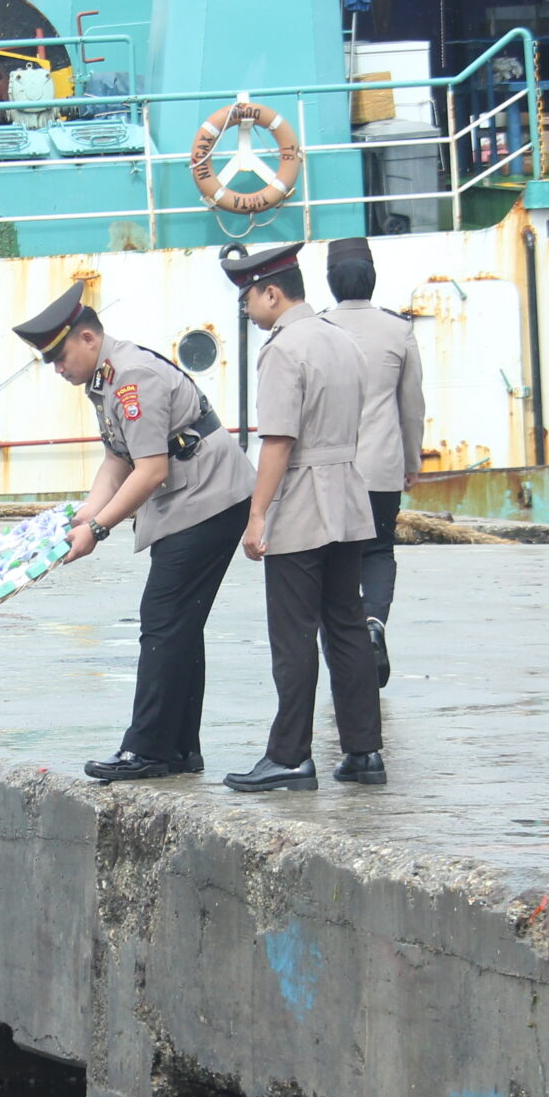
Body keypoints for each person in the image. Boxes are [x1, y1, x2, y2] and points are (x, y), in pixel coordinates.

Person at [11, 282, 254, 781]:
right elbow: (116, 458)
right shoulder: (103, 380)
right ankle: (181, 749)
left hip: (208, 500)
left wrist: (97, 530)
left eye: (59, 357)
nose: (58, 369)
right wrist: (83, 515)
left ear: (87, 338)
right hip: (192, 499)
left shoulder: (131, 379)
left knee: (162, 621)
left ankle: (146, 751)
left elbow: (150, 470)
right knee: (179, 625)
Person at [219, 241, 382, 794]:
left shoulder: (284, 350)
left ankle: (289, 757)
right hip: (347, 493)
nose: (245, 307)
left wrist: (257, 515)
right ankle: (364, 752)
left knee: (292, 636)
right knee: (347, 627)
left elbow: (278, 442)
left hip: (303, 500)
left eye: (249, 296)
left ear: (272, 292)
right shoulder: (342, 339)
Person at [319, 238, 425, 686]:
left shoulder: (317, 329)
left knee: (333, 558)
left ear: (330, 281)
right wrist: (412, 458)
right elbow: (411, 405)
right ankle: (374, 623)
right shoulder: (398, 330)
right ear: (373, 278)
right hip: (382, 463)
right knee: (379, 550)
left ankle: (345, 656)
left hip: (329, 467)